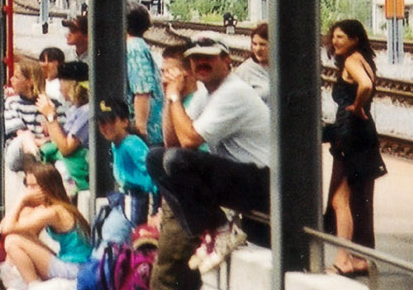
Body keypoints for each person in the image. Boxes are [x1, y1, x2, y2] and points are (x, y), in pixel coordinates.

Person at [149, 34, 271, 284]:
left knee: (177, 161)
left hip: (264, 181)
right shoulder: (207, 93)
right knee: (155, 158)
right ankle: (214, 229)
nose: (201, 63)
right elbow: (171, 142)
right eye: (195, 59)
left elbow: (189, 141)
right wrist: (170, 97)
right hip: (242, 178)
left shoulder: (233, 91)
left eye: (209, 58)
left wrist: (175, 97)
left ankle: (220, 228)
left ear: (227, 61)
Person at [322, 18, 384, 276]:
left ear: (355, 39)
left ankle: (343, 259)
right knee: (359, 198)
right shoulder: (364, 59)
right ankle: (359, 258)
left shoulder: (350, 61)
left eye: (341, 37)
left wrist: (357, 107)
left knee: (340, 200)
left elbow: (365, 85)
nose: (335, 41)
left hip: (350, 135)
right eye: (334, 36)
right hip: (362, 134)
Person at [0, 161, 93, 285]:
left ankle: (34, 285)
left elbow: (7, 228)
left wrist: (21, 200)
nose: (28, 192)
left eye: (33, 186)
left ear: (47, 187)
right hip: (71, 264)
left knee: (12, 241)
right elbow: (5, 227)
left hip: (74, 269)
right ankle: (10, 281)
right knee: (18, 236)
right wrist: (24, 206)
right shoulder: (54, 206)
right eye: (27, 186)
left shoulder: (54, 212)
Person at [95, 96, 156, 246]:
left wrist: (154, 210)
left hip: (140, 201)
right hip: (124, 199)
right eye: (102, 122)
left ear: (124, 122)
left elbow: (153, 173)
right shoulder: (116, 144)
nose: (105, 127)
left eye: (111, 121)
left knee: (114, 238)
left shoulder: (131, 143)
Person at [36, 59, 90, 196]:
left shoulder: (86, 111)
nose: (60, 88)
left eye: (61, 82)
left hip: (78, 170)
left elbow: (66, 148)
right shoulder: (74, 109)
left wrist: (51, 116)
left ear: (72, 85)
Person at [4, 60, 53, 174]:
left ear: (30, 81)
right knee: (25, 137)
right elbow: (20, 134)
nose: (11, 80)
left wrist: (50, 116)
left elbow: (59, 135)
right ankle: (37, 162)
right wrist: (41, 142)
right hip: (18, 153)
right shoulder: (12, 103)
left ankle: (38, 163)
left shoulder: (51, 104)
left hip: (45, 148)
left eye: (16, 77)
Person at [126, 3, 164, 144]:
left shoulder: (134, 48)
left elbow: (142, 91)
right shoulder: (137, 45)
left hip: (145, 133)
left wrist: (140, 129)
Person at [234, 22, 271, 104]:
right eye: (254, 44)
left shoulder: (283, 66)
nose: (258, 49)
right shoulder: (244, 71)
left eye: (262, 44)